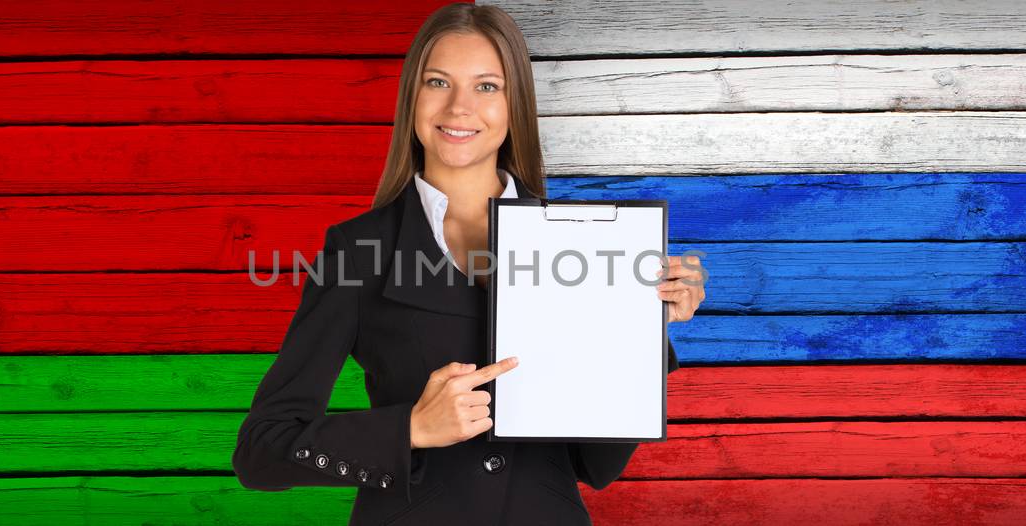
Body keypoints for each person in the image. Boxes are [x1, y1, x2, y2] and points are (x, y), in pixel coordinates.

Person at [232, 4, 706, 524]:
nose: (460, 107)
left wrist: (641, 327)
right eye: (439, 82)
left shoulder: (588, 248)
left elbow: (594, 464)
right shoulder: (357, 250)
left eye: (487, 86)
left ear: (514, 105)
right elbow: (261, 452)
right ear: (413, 96)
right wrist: (410, 429)